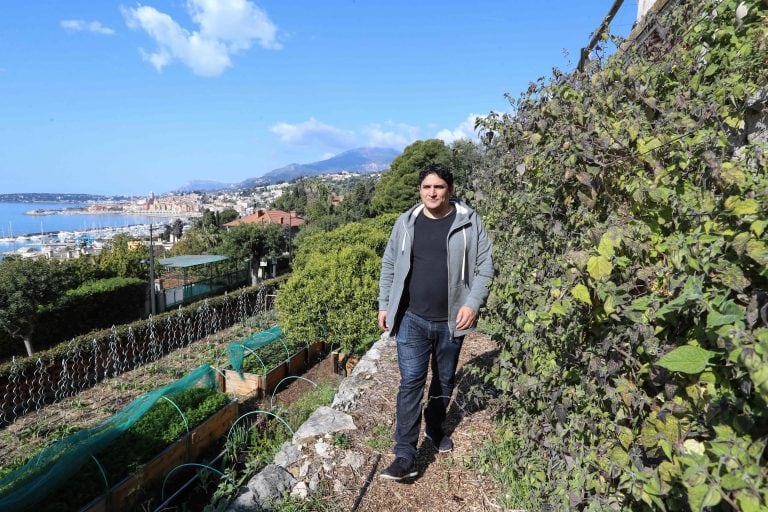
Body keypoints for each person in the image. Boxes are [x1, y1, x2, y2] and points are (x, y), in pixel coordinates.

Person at [377, 162, 494, 481]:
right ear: (420, 190)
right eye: (427, 186)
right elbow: (390, 264)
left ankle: (435, 426)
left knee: (444, 379)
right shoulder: (406, 222)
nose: (432, 192)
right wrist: (384, 304)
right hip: (412, 318)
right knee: (411, 382)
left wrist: (472, 303)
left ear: (449, 190)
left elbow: (486, 267)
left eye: (439, 187)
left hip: (451, 320)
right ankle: (404, 454)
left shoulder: (469, 222)